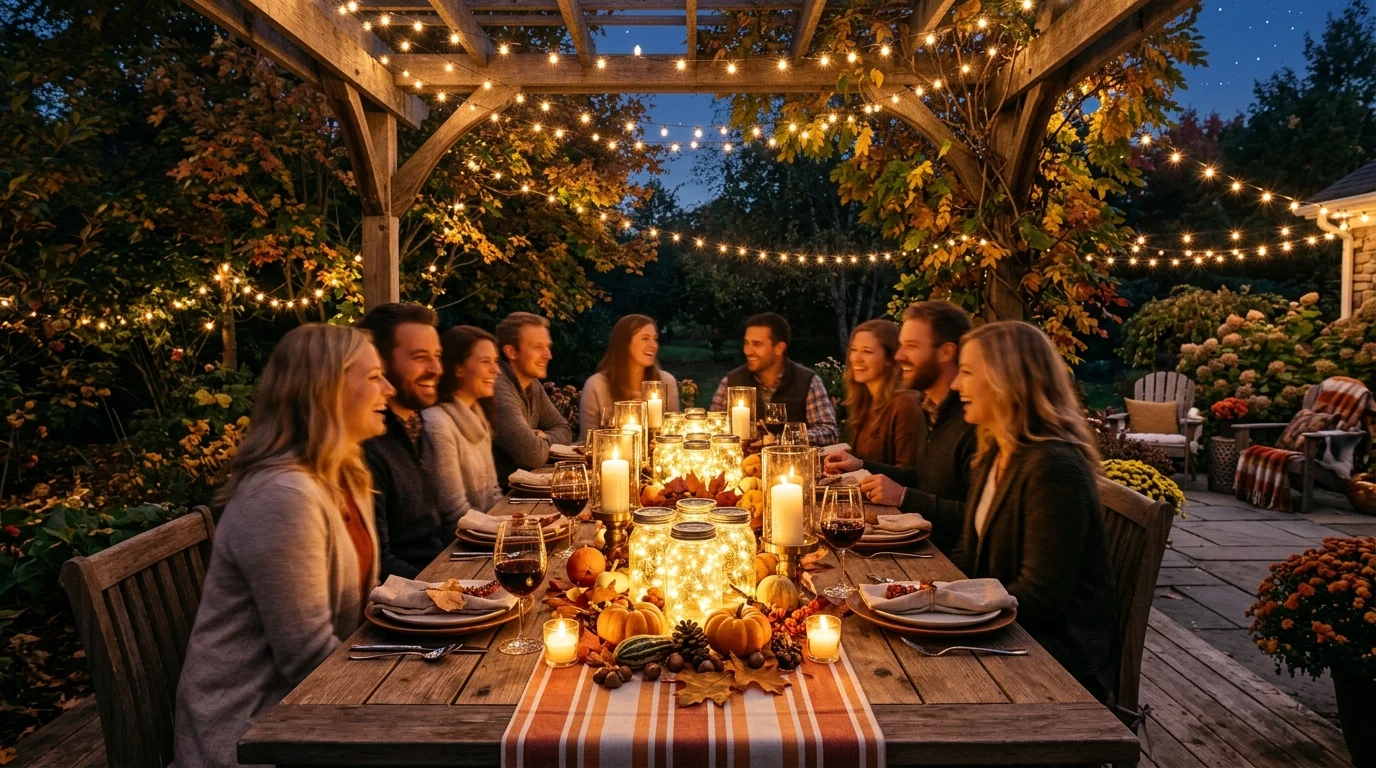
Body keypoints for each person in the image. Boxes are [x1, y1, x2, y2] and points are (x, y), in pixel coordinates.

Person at [173, 324, 389, 767]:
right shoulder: (284, 496)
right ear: (324, 389)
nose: (388, 387)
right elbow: (305, 658)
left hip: (313, 711)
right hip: (254, 733)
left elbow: (368, 607)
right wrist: (399, 693)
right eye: (372, 377)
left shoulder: (345, 477)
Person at [950, 320, 1118, 702]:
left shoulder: (1054, 466)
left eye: (967, 372)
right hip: (1009, 630)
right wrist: (929, 600)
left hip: (1056, 657)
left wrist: (951, 618)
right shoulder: (995, 451)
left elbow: (1040, 598)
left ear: (1006, 380)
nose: (955, 384)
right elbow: (967, 555)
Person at [825, 300, 976, 551]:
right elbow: (922, 476)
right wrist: (863, 465)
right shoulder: (934, 411)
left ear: (946, 352)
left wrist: (904, 496)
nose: (899, 355)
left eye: (911, 346)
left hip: (941, 561)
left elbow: (977, 517)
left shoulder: (970, 421)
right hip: (920, 549)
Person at [356, 303, 448, 579]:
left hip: (440, 576)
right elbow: (381, 567)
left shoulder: (417, 426)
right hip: (409, 604)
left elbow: (436, 529)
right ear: (380, 362)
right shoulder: (367, 444)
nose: (436, 369)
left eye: (437, 356)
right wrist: (456, 590)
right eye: (420, 357)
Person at [709, 312, 839, 445]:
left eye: (757, 344)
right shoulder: (731, 381)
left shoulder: (808, 382)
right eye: (746, 343)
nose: (748, 351)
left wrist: (783, 440)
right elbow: (713, 428)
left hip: (792, 462)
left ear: (779, 348)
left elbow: (829, 432)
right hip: (743, 462)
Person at [426, 325, 504, 519]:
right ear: (458, 368)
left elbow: (494, 493)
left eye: (495, 361)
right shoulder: (438, 424)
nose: (496, 370)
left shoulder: (477, 413)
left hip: (489, 533)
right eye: (485, 361)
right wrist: (505, 530)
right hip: (459, 543)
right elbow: (455, 512)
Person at [489, 312, 574, 484]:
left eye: (547, 346)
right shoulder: (497, 386)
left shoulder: (532, 384)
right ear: (511, 351)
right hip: (499, 502)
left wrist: (544, 439)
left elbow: (564, 429)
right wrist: (541, 443)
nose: (548, 355)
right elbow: (532, 455)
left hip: (521, 495)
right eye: (537, 347)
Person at [579, 314, 680, 439]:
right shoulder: (597, 385)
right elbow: (587, 440)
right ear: (624, 343)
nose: (653, 345)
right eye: (645, 338)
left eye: (655, 339)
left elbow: (673, 436)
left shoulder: (666, 382)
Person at [842, 318, 923, 467]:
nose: (856, 358)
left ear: (891, 359)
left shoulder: (905, 404)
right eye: (853, 350)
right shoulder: (867, 402)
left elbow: (909, 473)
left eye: (867, 351)